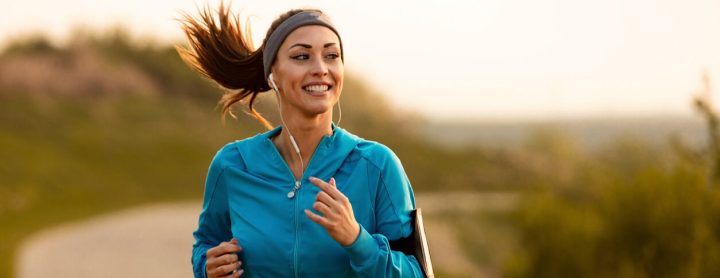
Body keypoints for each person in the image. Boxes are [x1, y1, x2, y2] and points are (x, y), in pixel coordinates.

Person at [178, 3, 425, 277]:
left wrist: (358, 240)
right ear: (273, 75)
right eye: (301, 57)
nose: (320, 68)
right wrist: (207, 267)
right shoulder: (232, 165)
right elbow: (206, 245)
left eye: (331, 55)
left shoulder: (377, 165)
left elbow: (416, 272)